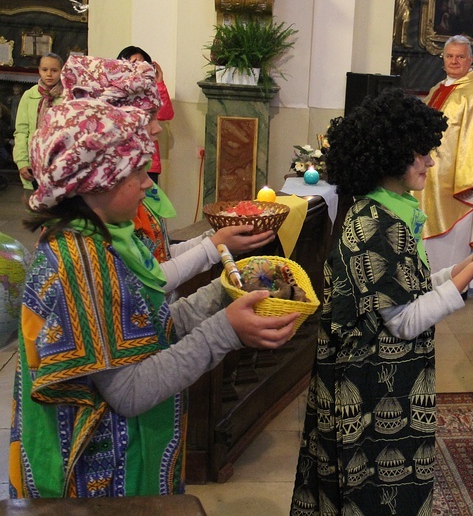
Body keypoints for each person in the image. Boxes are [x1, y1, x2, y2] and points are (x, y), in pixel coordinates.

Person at [9, 69, 299, 498]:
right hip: (96, 483)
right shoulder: (81, 262)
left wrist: (222, 291)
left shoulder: (101, 236)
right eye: (137, 173)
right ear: (96, 181)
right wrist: (225, 332)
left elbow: (151, 321)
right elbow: (129, 391)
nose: (148, 183)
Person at [289, 88, 473, 515]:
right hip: (371, 388)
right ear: (390, 155)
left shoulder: (386, 211)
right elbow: (403, 320)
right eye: (422, 153)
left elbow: (404, 285)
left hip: (381, 379)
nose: (431, 162)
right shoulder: (378, 224)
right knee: (375, 492)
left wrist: (459, 269)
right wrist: (469, 277)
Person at [59, 55, 273, 294]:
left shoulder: (125, 193)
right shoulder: (102, 214)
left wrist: (216, 237)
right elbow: (153, 279)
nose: (157, 127)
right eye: (149, 117)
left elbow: (159, 254)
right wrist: (214, 246)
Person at [412, 35, 473, 294]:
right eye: (449, 56)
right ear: (442, 60)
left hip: (458, 181)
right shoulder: (437, 88)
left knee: (453, 235)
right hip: (428, 174)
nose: (454, 61)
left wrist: (467, 178)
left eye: (460, 56)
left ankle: (456, 285)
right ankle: (429, 282)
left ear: (471, 59)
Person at [118, 46, 174, 184]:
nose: (138, 67)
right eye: (134, 62)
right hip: (122, 159)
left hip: (149, 160)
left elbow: (165, 114)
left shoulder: (151, 89)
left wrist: (159, 83)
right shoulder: (114, 90)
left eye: (142, 63)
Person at [13, 53, 64, 190]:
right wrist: (22, 162)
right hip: (33, 160)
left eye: (54, 70)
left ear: (61, 71)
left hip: (58, 161)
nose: (49, 74)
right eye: (45, 70)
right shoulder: (30, 96)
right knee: (34, 206)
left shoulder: (67, 96)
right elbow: (21, 131)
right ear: (39, 70)